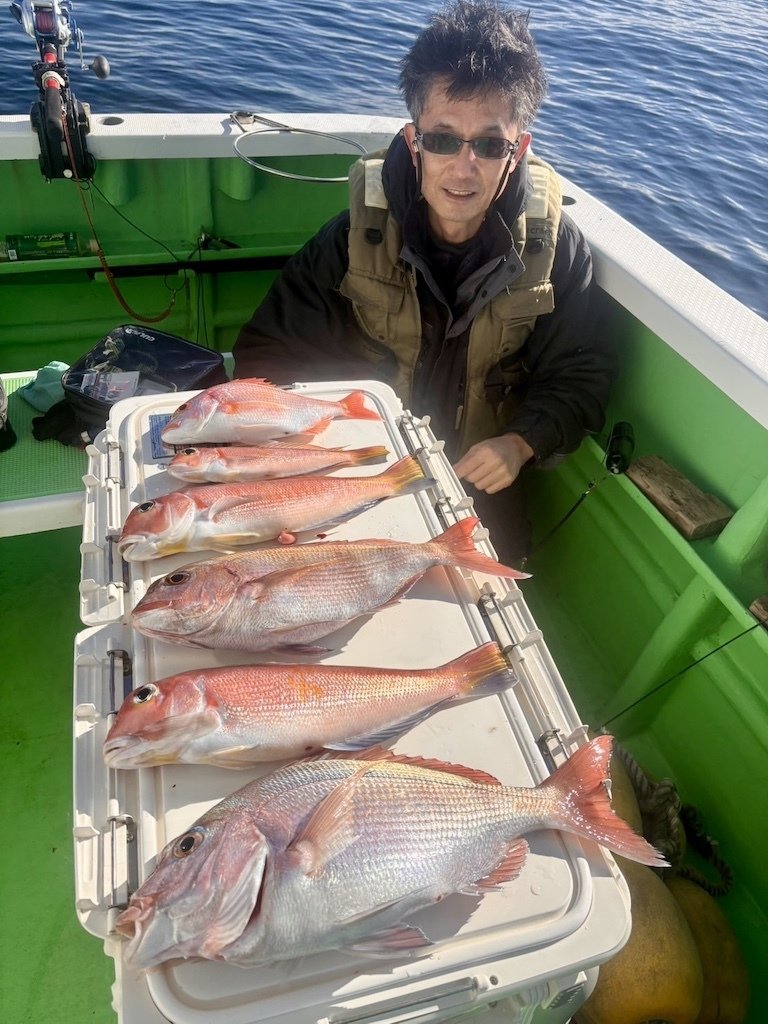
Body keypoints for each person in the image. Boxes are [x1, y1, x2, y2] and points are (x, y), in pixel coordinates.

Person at [233, 0, 616, 563]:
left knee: (488, 587)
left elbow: (581, 375)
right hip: (354, 468)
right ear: (414, 141)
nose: (464, 167)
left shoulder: (556, 251)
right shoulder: (350, 239)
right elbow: (270, 355)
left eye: (489, 145)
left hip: (476, 478)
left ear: (518, 151)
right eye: (443, 139)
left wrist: (519, 443)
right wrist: (314, 455)